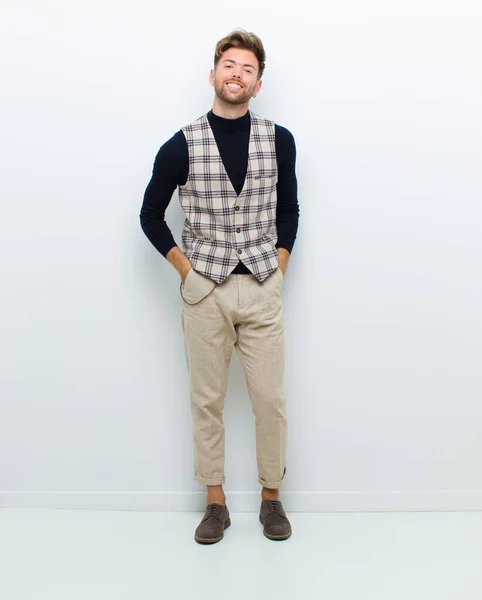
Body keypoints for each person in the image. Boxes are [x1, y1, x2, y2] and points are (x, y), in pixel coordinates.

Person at [140, 29, 300, 544]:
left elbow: (289, 210)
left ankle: (271, 499)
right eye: (228, 65)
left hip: (259, 285)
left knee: (269, 398)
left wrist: (277, 267)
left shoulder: (279, 140)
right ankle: (216, 503)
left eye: (248, 69)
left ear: (257, 84)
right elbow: (149, 216)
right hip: (204, 290)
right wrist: (186, 271)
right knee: (206, 399)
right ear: (212, 75)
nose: (236, 74)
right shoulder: (181, 144)